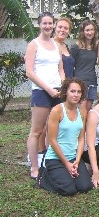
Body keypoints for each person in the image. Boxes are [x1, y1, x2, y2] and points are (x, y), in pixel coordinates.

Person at [25, 12, 64, 179]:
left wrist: (64, 86)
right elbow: (29, 72)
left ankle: (49, 163)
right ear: (39, 25)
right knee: (37, 131)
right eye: (44, 23)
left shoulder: (56, 45)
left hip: (57, 91)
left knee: (52, 130)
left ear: (54, 25)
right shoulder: (33, 44)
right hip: (41, 92)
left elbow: (60, 70)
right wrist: (48, 89)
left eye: (50, 23)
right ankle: (34, 166)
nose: (48, 26)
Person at [38, 78, 93, 196]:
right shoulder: (57, 110)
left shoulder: (82, 111)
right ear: (65, 92)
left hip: (73, 157)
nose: (76, 95)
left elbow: (81, 138)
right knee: (69, 190)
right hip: (55, 158)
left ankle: (66, 174)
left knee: (85, 187)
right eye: (73, 91)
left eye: (79, 92)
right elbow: (52, 140)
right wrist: (67, 163)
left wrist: (77, 161)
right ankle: (44, 177)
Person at [70, 20, 98, 111]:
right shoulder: (76, 47)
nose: (90, 32)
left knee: (89, 109)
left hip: (92, 81)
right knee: (81, 110)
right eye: (87, 30)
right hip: (80, 81)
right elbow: (70, 65)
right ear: (83, 32)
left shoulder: (95, 47)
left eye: (92, 30)